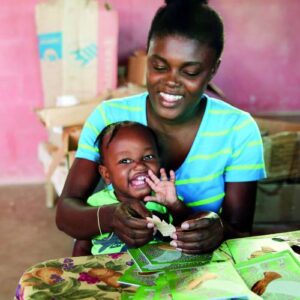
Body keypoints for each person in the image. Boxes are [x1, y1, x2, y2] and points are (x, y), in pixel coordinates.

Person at [56, 0, 266, 255]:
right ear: (147, 56)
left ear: (212, 70)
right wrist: (112, 217)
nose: (170, 83)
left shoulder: (238, 130)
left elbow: (240, 231)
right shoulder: (108, 117)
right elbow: (66, 214)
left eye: (190, 72)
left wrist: (216, 229)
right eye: (159, 67)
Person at [73, 121, 187, 256]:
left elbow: (186, 231)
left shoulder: (165, 200)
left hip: (159, 274)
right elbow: (82, 247)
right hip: (110, 274)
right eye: (125, 161)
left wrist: (175, 205)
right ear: (106, 174)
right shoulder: (95, 204)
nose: (140, 166)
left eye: (148, 157)